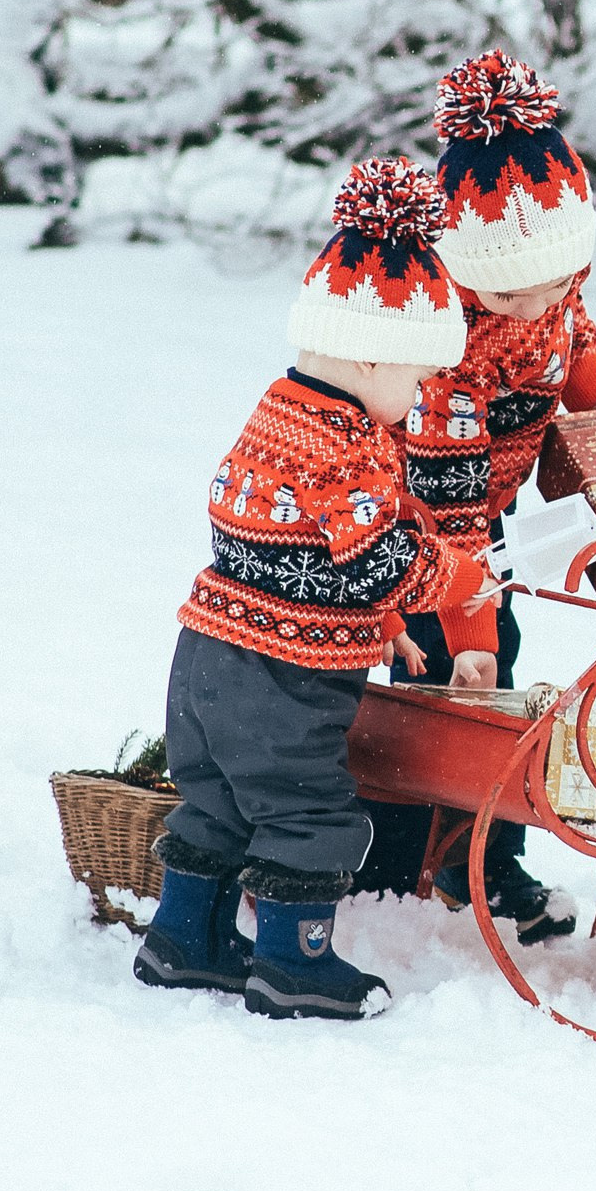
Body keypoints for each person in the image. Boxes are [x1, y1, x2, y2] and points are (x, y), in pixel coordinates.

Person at [136, 159, 493, 1020]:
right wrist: (458, 574)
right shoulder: (350, 443)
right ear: (371, 354)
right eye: (414, 379)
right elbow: (373, 555)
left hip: (207, 655)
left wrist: (386, 624)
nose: (415, 402)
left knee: (216, 798)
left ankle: (184, 940)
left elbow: (314, 552)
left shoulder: (279, 410)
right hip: (283, 676)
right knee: (306, 807)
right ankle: (296, 964)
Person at [356, 51, 596, 940]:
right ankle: (408, 862)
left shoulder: (552, 293)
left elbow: (571, 337)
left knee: (490, 681)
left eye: (556, 280)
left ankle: (481, 855)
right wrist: (470, 627)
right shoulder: (441, 347)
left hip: (493, 511)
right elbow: (449, 515)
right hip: (416, 525)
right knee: (445, 678)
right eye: (511, 289)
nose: (535, 304)